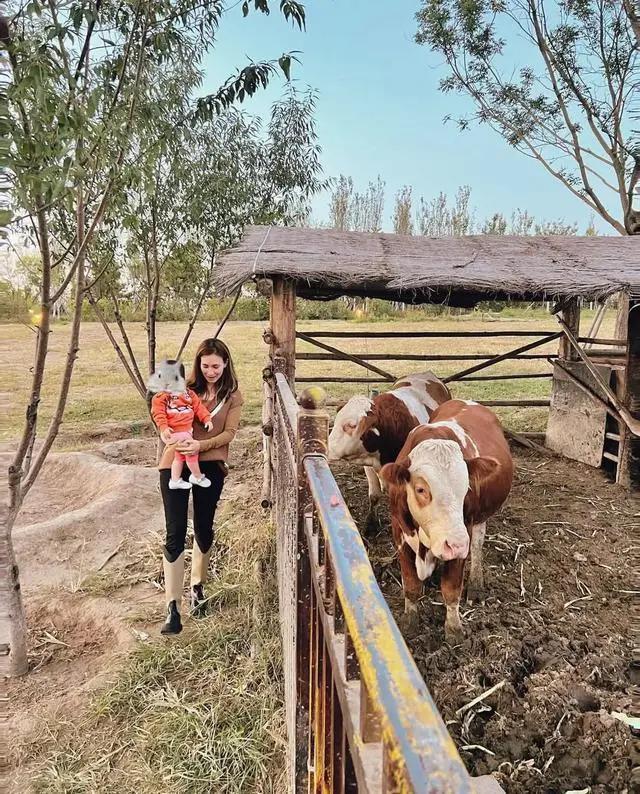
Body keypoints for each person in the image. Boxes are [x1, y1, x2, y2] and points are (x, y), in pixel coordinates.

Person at [157, 338, 243, 635]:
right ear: (198, 364)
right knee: (175, 530)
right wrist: (165, 430)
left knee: (203, 526)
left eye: (215, 366)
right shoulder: (183, 388)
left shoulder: (232, 396)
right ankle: (172, 607)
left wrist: (202, 444)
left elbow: (230, 433)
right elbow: (159, 410)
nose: (210, 371)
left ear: (225, 364)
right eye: (205, 365)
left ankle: (197, 586)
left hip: (210, 464)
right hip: (174, 461)